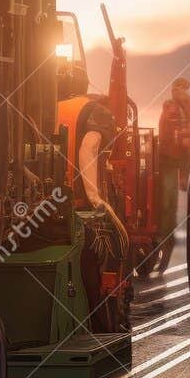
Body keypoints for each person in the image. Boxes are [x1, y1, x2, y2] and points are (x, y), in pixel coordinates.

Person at [56, 89, 130, 330]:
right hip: (78, 203)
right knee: (104, 256)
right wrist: (95, 196)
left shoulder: (56, 107)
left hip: (52, 200)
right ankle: (104, 324)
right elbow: (88, 148)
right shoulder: (98, 113)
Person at [152, 78, 190, 274]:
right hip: (170, 164)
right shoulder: (177, 110)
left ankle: (164, 242)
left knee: (167, 207)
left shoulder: (176, 110)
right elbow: (189, 140)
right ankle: (165, 242)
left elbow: (189, 140)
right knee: (166, 207)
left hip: (170, 165)